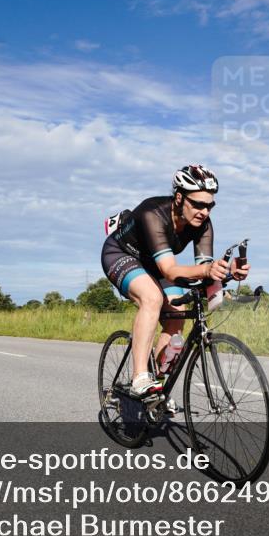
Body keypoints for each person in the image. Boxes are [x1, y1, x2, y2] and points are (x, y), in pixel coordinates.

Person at [101, 164, 250, 398]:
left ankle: (157, 387)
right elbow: (170, 270)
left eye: (210, 205)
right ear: (179, 198)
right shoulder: (153, 213)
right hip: (121, 254)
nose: (205, 211)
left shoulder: (203, 224)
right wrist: (208, 270)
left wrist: (228, 272)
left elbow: (204, 272)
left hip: (153, 263)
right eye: (198, 204)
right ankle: (140, 377)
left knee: (178, 313)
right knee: (152, 298)